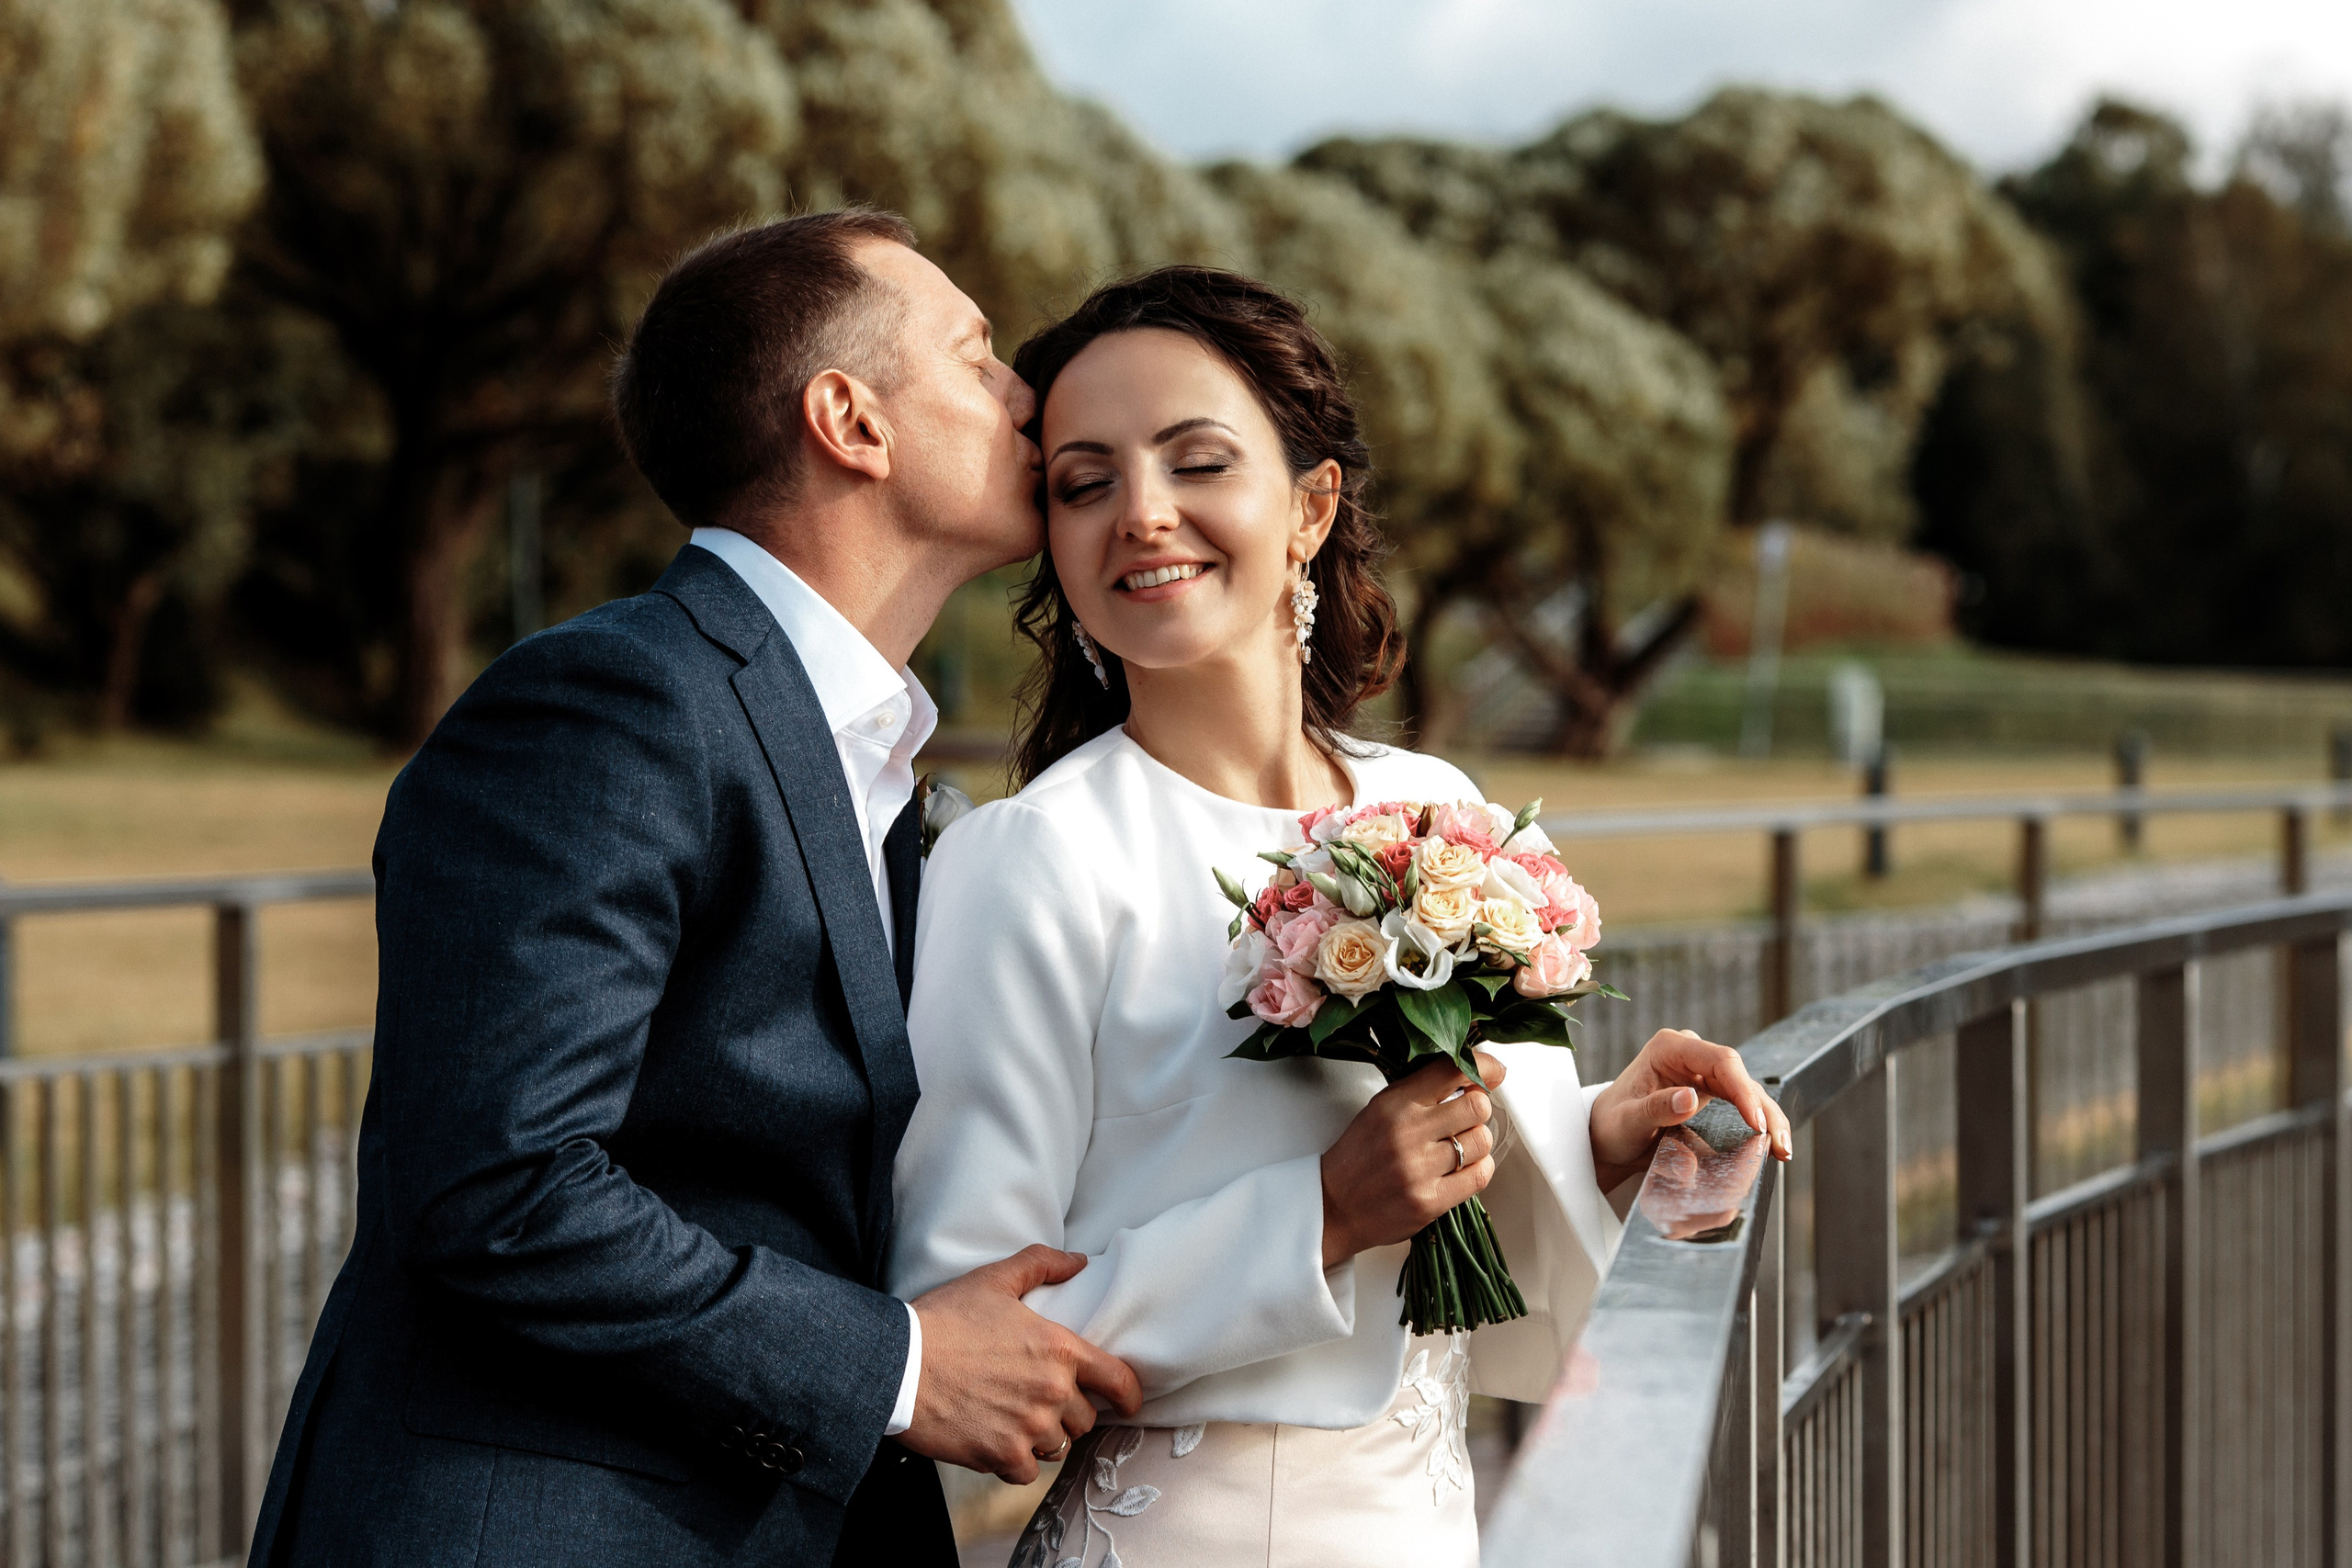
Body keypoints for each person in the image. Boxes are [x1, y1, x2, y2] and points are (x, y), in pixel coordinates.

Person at [249, 210, 1145, 1568]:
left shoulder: (891, 777)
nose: (1029, 392)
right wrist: (899, 1370)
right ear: (850, 420)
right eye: (975, 358)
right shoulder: (612, 703)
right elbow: (500, 1187)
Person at [889, 265, 1794, 1566]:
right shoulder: (1029, 859)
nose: (1142, 514)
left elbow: (1471, 1240)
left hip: (1427, 1523)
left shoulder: (1438, 811)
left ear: (1311, 507)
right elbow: (961, 1312)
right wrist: (1318, 1214)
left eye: (1196, 462)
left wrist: (1609, 1133)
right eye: (1085, 483)